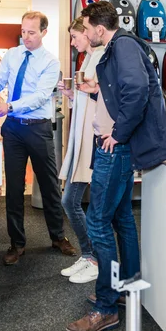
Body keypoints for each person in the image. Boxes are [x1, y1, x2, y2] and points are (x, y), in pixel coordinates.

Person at [66, 1, 166, 331]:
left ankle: (106, 306)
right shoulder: (117, 48)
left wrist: (119, 133)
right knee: (122, 218)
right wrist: (95, 94)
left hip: (115, 149)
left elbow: (139, 90)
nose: (83, 35)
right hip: (114, 147)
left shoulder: (123, 45)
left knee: (98, 223)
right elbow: (119, 94)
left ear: (99, 29)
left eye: (85, 29)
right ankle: (127, 287)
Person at [0, 11, 76, 265]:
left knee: (49, 185)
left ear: (44, 32)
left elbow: (41, 96)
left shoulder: (50, 61)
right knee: (13, 188)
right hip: (13, 129)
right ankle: (17, 243)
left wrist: (9, 106)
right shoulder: (12, 55)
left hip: (38, 129)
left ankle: (58, 237)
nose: (26, 37)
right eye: (23, 31)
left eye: (32, 32)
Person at [57, 17, 104, 284]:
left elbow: (100, 98)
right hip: (82, 138)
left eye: (76, 36)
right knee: (72, 201)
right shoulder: (88, 59)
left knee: (73, 201)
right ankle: (89, 255)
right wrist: (73, 94)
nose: (74, 42)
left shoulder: (99, 58)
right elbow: (88, 97)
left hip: (92, 139)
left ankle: (93, 258)